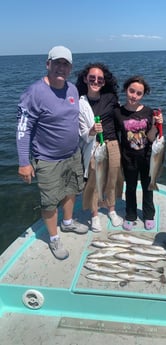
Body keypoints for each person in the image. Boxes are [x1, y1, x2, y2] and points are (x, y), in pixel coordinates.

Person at [16, 46, 88, 260]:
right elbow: (23, 129)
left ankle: (67, 223)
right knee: (49, 202)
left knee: (71, 190)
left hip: (73, 154)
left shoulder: (73, 89)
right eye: (56, 63)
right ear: (48, 64)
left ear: (70, 68)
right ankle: (54, 239)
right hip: (47, 160)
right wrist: (24, 162)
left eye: (65, 64)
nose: (61, 68)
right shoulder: (34, 92)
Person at [76, 62, 123, 232]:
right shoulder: (80, 102)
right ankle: (94, 215)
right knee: (95, 180)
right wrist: (90, 131)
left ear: (105, 82)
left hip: (112, 144)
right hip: (94, 146)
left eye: (100, 79)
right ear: (85, 79)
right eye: (92, 78)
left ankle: (111, 209)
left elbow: (121, 119)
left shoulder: (110, 98)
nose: (96, 81)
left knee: (112, 178)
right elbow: (81, 133)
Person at [114, 75, 163, 231]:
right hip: (128, 158)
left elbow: (150, 137)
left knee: (148, 186)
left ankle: (149, 215)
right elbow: (115, 135)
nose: (134, 96)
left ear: (143, 95)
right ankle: (130, 215)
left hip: (147, 157)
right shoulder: (118, 113)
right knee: (130, 188)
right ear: (126, 90)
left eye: (138, 93)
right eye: (131, 91)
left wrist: (157, 125)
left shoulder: (149, 112)